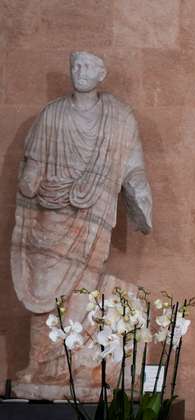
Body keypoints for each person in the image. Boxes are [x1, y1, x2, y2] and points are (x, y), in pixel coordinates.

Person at [10, 51, 152, 395]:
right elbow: (34, 161)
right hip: (50, 210)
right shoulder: (52, 115)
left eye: (88, 66)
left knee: (84, 284)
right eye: (75, 65)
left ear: (102, 73)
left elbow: (132, 164)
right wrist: (29, 179)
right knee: (43, 287)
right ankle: (40, 363)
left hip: (94, 210)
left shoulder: (119, 117)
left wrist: (141, 194)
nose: (80, 72)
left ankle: (74, 364)